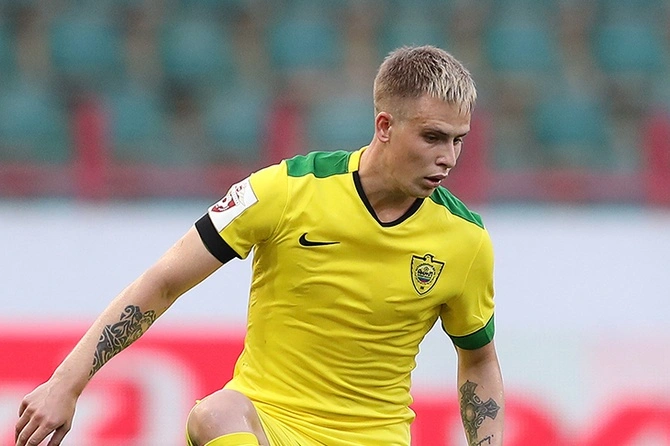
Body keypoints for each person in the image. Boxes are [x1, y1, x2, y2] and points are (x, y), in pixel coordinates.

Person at [16, 45, 504, 446]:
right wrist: (65, 384)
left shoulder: (464, 239)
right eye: (433, 137)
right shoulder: (285, 190)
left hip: (374, 438)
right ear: (385, 126)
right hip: (268, 425)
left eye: (458, 140)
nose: (448, 158)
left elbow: (478, 358)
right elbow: (164, 281)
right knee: (216, 412)